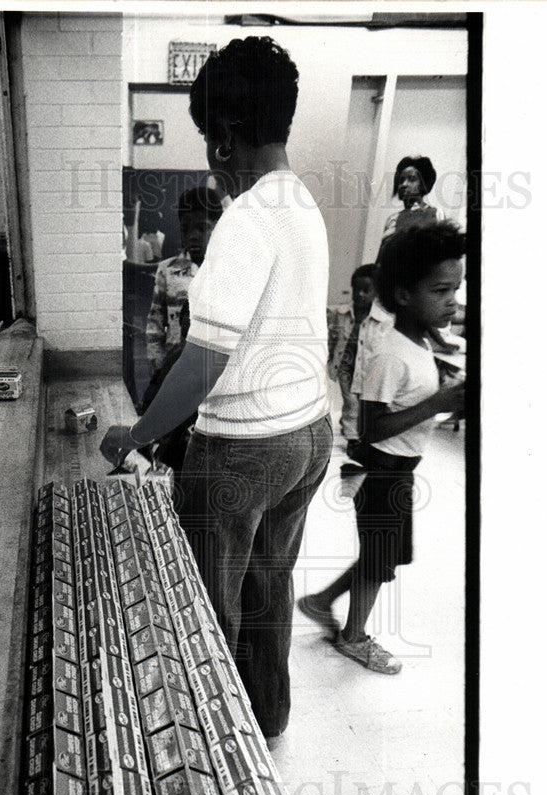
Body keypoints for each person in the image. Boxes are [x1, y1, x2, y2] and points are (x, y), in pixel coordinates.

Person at [100, 36, 332, 739]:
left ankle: (213, 748)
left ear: (225, 138)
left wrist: (134, 436)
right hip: (308, 434)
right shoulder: (303, 203)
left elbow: (203, 366)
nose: (208, 155)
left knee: (205, 602)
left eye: (207, 138)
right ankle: (267, 715)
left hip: (244, 450)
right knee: (270, 584)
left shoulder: (245, 222)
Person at [298, 221, 467, 673]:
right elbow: (372, 427)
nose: (453, 300)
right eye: (442, 290)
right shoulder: (389, 352)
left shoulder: (419, 341)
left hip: (399, 469)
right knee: (379, 558)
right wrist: (440, 401)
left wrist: (440, 387)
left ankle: (321, 601)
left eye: (457, 288)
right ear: (405, 295)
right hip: (379, 469)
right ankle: (353, 636)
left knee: (384, 554)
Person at [144, 186, 224, 380]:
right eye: (186, 228)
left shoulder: (227, 271)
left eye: (202, 227)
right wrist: (158, 369)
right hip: (175, 368)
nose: (193, 235)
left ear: (218, 228)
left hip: (214, 371)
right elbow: (155, 325)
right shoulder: (167, 270)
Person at [326, 264, 378, 443]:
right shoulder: (341, 314)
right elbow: (332, 336)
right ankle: (352, 438)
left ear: (376, 292)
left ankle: (351, 424)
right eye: (356, 290)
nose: (360, 295)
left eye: (366, 290)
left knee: (362, 401)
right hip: (346, 366)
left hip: (367, 369)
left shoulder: (382, 320)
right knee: (351, 402)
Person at [379, 155, 444, 256]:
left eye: (412, 179)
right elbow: (381, 260)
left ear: (423, 184)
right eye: (401, 180)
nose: (404, 184)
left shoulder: (436, 214)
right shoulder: (393, 219)